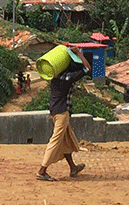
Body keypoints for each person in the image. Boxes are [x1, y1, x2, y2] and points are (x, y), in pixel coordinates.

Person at [36, 45, 91, 181]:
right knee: (56, 141)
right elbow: (87, 68)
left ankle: (73, 168)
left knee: (66, 140)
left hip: (55, 111)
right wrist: (78, 53)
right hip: (62, 112)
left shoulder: (55, 77)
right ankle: (42, 171)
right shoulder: (67, 78)